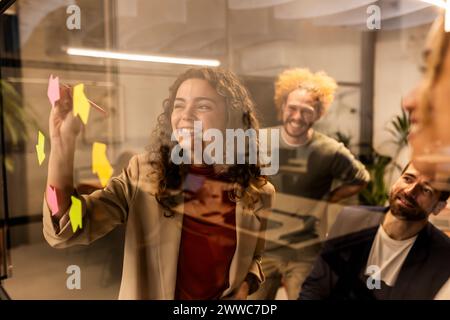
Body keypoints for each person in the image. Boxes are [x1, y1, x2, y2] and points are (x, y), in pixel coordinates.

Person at [42, 67, 275, 300]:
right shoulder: (142, 174)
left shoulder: (258, 192)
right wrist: (62, 143)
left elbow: (254, 256)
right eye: (179, 105)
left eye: (203, 106)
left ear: (231, 118)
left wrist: (245, 287)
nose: (185, 116)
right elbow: (68, 230)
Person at [250, 68, 369, 300]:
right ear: (282, 106)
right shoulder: (258, 141)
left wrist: (331, 198)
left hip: (304, 252)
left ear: (318, 114)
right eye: (292, 108)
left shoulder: (330, 151)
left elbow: (361, 178)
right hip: (261, 251)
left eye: (306, 111)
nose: (297, 116)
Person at [300, 163, 450, 300]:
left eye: (426, 190)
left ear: (438, 206)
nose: (410, 191)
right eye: (408, 179)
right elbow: (317, 285)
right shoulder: (350, 219)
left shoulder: (443, 254)